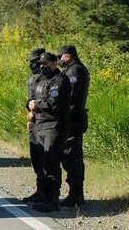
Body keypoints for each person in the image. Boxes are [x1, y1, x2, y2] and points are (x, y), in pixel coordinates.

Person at [28, 52, 72, 213]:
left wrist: (36, 105)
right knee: (42, 163)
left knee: (51, 163)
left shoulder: (59, 81)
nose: (42, 66)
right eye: (41, 64)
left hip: (54, 126)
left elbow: (54, 103)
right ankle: (45, 197)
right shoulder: (42, 80)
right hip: (40, 125)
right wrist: (30, 104)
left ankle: (52, 201)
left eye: (45, 64)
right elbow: (32, 99)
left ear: (54, 64)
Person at [57, 45, 90, 207]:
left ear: (68, 56)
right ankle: (76, 194)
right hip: (71, 118)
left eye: (60, 56)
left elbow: (69, 95)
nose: (59, 60)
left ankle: (76, 195)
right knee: (70, 155)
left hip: (73, 119)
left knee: (72, 156)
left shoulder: (75, 71)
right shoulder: (73, 69)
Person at [23, 48, 46, 203]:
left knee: (45, 159)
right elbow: (30, 99)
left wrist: (35, 112)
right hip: (34, 122)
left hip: (44, 121)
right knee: (35, 158)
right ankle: (40, 190)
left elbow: (47, 100)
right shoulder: (33, 78)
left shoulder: (48, 78)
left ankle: (47, 192)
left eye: (34, 62)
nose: (32, 65)